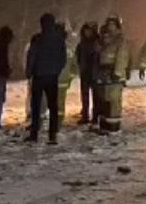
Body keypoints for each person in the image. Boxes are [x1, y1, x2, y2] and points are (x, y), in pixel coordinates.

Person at [25, 13, 68, 144]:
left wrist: (29, 72)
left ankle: (34, 134)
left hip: (38, 75)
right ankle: (52, 135)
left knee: (36, 105)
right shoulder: (59, 40)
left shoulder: (37, 39)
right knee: (53, 106)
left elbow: (31, 56)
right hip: (52, 76)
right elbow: (63, 58)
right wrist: (57, 70)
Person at [97, 16, 130, 133]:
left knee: (114, 100)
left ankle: (114, 127)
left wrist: (118, 72)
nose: (110, 26)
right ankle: (105, 125)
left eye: (113, 24)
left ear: (117, 25)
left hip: (115, 74)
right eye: (109, 24)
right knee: (104, 99)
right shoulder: (104, 39)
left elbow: (122, 56)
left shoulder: (120, 39)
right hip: (104, 73)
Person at [76, 21, 101, 124]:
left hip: (95, 73)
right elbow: (78, 56)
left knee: (96, 97)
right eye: (86, 31)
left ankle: (95, 117)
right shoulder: (82, 43)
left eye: (89, 31)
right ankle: (85, 115)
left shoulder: (97, 42)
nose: (87, 33)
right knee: (85, 96)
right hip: (85, 72)